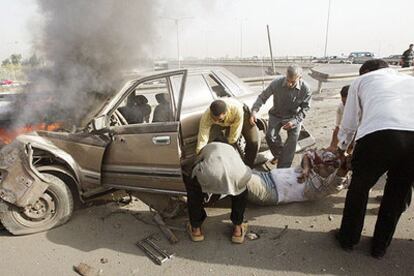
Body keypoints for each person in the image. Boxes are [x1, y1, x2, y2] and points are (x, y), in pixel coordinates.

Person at [335, 59, 414, 259]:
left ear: (366, 71)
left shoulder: (362, 80)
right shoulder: (408, 79)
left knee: (360, 188)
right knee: (397, 193)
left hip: (379, 134)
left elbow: (350, 120)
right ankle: (380, 246)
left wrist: (343, 148)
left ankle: (348, 239)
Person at [185, 142, 250, 243]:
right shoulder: (232, 149)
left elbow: (195, 163)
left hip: (211, 174)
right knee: (241, 193)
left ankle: (196, 230)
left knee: (193, 189)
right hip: (238, 174)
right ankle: (238, 229)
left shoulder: (206, 147)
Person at [250, 65, 312, 168]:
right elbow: (262, 97)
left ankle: (283, 168)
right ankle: (279, 155)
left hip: (294, 117)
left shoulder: (306, 89)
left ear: (300, 78)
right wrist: (254, 111)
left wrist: (294, 121)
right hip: (276, 115)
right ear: (285, 75)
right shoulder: (276, 83)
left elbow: (305, 109)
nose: (289, 84)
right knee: (270, 136)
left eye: (292, 82)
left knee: (292, 141)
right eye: (287, 80)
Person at [247, 148, 350, 205]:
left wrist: (345, 167)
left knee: (239, 177)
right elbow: (308, 153)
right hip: (266, 175)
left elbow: (338, 180)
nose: (320, 164)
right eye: (323, 162)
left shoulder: (323, 187)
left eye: (326, 167)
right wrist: (306, 168)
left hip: (269, 189)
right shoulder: (322, 163)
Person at [196, 98, 259, 167]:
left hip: (241, 116)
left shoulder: (236, 109)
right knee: (210, 144)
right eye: (214, 119)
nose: (216, 121)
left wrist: (229, 144)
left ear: (225, 113)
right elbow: (203, 136)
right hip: (224, 122)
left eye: (218, 119)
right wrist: (200, 152)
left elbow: (234, 135)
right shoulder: (207, 116)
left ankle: (248, 166)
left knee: (254, 141)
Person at [327, 85, 349, 152]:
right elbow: (338, 128)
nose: (345, 105)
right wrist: (332, 146)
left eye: (347, 103)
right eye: (343, 102)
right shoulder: (341, 107)